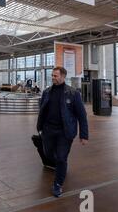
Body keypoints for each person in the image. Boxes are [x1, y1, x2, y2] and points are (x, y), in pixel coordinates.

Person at [36, 66, 88, 197]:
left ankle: (58, 184)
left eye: (55, 76)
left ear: (63, 77)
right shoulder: (47, 92)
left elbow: (82, 115)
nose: (53, 78)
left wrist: (84, 135)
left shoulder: (73, 93)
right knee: (48, 154)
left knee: (61, 157)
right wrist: (40, 127)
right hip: (48, 130)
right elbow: (42, 110)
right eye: (52, 75)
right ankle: (60, 166)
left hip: (65, 132)